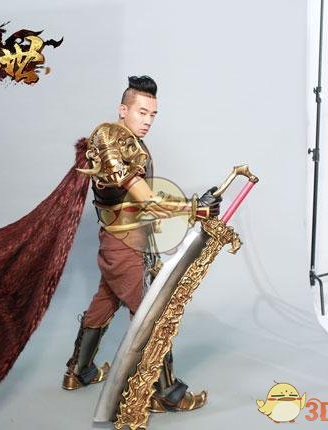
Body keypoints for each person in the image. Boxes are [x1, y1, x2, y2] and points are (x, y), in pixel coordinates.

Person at [62, 75, 221, 412]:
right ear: (123, 110)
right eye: (142, 112)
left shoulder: (134, 142)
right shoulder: (110, 140)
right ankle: (166, 393)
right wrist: (195, 207)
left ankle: (79, 371)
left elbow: (141, 202)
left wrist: (192, 207)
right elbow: (147, 200)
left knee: (104, 303)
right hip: (123, 247)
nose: (148, 120)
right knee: (153, 315)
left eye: (153, 114)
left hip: (126, 242)